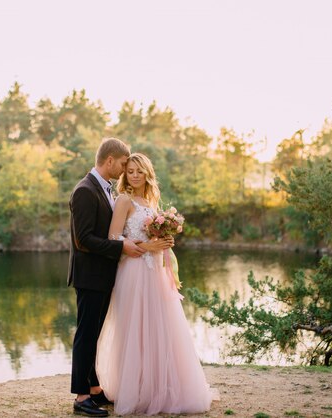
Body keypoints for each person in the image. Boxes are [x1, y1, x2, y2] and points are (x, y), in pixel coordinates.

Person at [96, 153, 215, 415]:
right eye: (130, 171)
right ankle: (136, 390)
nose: (135, 175)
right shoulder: (124, 201)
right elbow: (114, 238)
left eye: (139, 171)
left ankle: (159, 389)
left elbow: (155, 236)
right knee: (135, 329)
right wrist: (147, 246)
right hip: (133, 272)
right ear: (125, 174)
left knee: (159, 328)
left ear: (148, 173)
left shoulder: (150, 201)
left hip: (154, 273)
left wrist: (165, 241)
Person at [68, 138, 146, 417]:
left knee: (94, 334)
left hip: (102, 275)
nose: (126, 169)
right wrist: (121, 246)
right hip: (89, 275)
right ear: (110, 160)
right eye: (124, 164)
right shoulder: (85, 191)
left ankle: (95, 389)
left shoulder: (104, 189)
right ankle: (80, 397)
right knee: (86, 335)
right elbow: (83, 240)